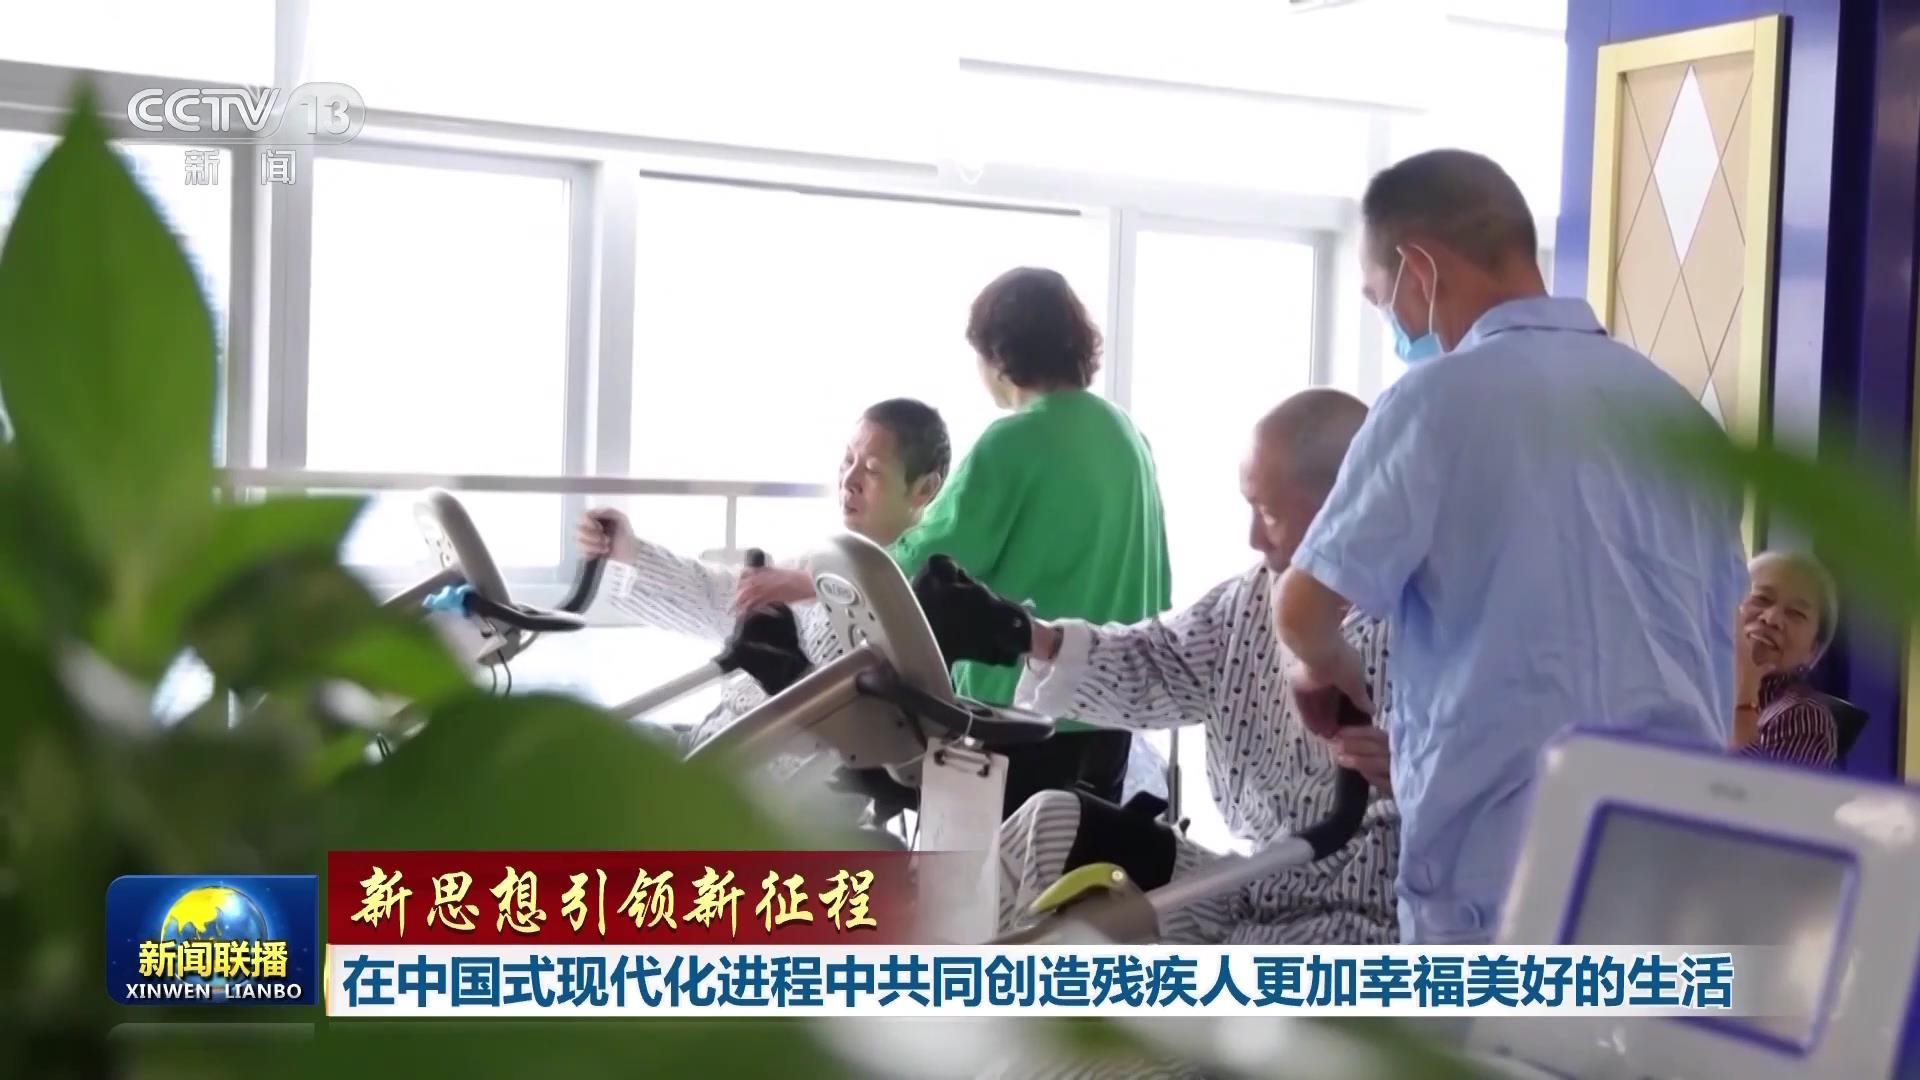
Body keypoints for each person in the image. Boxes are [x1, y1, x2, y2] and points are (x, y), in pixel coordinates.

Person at [1273, 149, 1749, 947]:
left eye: (1382, 297)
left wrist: (1329, 667)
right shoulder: (1681, 418)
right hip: (1671, 865)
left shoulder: (1435, 402)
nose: (1394, 324)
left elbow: (1303, 610)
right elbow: (1722, 647)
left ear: (1420, 269)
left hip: (1501, 875)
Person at [923, 388, 1399, 947]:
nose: (1252, 538)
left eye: (1269, 515)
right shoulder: (1248, 602)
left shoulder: (1434, 631)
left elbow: (1490, 795)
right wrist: (1027, 636)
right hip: (1249, 890)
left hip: (1357, 925)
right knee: (1048, 825)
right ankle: (917, 970)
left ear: (1346, 504)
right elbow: (1157, 662)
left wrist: (1412, 773)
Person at [738, 267, 1174, 816]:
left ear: (998, 356)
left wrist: (808, 581)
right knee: (1070, 858)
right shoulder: (1129, 437)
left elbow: (926, 561)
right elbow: (1158, 582)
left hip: (1021, 716)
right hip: (1110, 713)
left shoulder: (1014, 440)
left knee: (991, 864)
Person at [575, 397, 951, 775]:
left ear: (924, 488)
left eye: (871, 470)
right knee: (567, 740)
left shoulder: (910, 613)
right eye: (848, 459)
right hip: (704, 742)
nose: (849, 480)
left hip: (731, 780)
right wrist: (628, 551)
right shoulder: (822, 563)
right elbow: (727, 598)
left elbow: (850, 746)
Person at [1732, 550, 1841, 768]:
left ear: (1813, 650)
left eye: (1795, 613)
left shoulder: (1805, 719)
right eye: (1761, 599)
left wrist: (1746, 695)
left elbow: (1744, 786)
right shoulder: (1694, 681)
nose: (1771, 619)